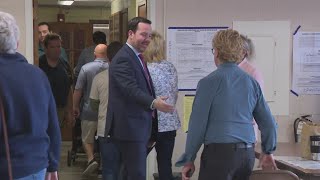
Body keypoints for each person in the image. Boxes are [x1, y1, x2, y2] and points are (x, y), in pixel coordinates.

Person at [176, 29, 278, 180]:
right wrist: (268, 151)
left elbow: (197, 125)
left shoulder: (208, 83)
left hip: (219, 155)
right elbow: (269, 123)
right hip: (246, 155)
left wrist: (189, 158)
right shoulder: (251, 83)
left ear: (216, 52)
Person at [107, 17, 174, 180]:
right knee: (136, 174)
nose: (148, 39)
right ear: (131, 33)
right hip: (130, 127)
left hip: (138, 126)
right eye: (144, 35)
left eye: (150, 35)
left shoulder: (137, 56)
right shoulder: (124, 57)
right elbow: (130, 89)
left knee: (130, 173)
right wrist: (153, 102)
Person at [0, 11, 61, 180]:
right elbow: (52, 124)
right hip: (38, 165)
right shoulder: (38, 74)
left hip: (7, 168)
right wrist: (53, 164)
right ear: (17, 43)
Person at [143, 31, 181, 180]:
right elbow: (174, 93)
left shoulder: (144, 68)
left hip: (149, 124)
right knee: (165, 165)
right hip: (169, 123)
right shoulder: (170, 67)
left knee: (135, 162)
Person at [73, 44, 109, 175]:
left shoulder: (85, 68)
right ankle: (104, 163)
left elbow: (78, 90)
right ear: (107, 54)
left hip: (89, 110)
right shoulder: (112, 69)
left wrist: (75, 107)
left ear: (94, 54)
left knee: (87, 139)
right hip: (106, 111)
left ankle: (91, 158)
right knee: (105, 139)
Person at [90, 41, 123, 180]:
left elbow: (93, 104)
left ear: (108, 58)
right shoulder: (133, 77)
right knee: (127, 170)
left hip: (106, 130)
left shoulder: (99, 78)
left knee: (109, 170)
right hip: (128, 131)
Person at [39, 33, 74, 127]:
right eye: (52, 47)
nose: (56, 50)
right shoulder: (39, 65)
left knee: (57, 139)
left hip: (60, 109)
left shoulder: (65, 64)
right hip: (43, 109)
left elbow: (69, 89)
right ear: (45, 48)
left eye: (58, 46)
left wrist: (69, 110)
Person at [238, 34, 264, 142]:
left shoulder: (252, 72)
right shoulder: (227, 70)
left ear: (244, 52)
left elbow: (258, 104)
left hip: (245, 129)